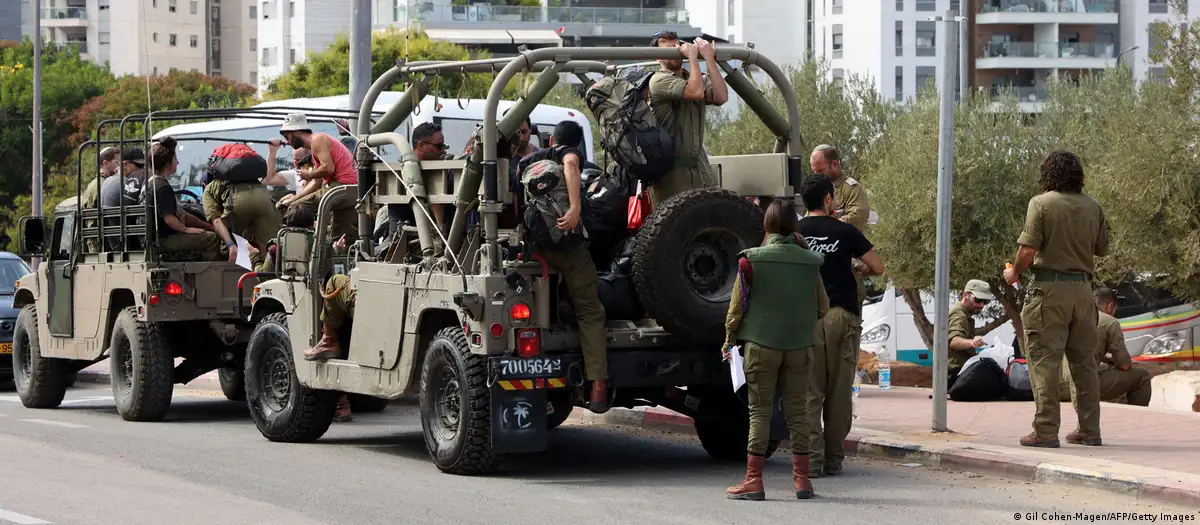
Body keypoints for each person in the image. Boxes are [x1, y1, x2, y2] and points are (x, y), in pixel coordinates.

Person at [1003, 149, 1110, 448]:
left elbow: (1026, 251)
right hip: (1083, 291)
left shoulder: (1041, 203)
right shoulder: (1094, 206)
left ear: (1048, 173)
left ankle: (1046, 430)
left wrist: (1014, 274)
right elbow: (1102, 248)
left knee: (1045, 363)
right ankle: (1090, 430)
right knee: (1084, 364)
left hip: (1049, 291)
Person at [723, 200, 827, 502]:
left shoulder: (750, 261)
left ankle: (753, 481)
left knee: (760, 412)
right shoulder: (811, 263)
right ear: (795, 227)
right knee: (798, 412)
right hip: (799, 347)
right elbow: (823, 307)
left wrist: (729, 340)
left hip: (760, 346)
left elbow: (736, 308)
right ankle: (802, 481)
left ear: (767, 226)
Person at [798, 173, 885, 478]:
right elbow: (878, 266)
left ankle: (813, 461)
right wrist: (856, 265)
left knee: (809, 392)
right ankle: (834, 458)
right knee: (838, 392)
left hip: (805, 320)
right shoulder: (845, 231)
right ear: (828, 199)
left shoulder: (795, 231)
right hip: (841, 318)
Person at [527, 120, 609, 412]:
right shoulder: (570, 155)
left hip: (536, 251)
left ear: (550, 140)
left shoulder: (529, 161)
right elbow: (572, 163)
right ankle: (598, 386)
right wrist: (574, 209)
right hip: (570, 247)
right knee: (590, 311)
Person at [646, 30, 729, 206]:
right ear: (658, 58)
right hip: (673, 173)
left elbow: (720, 96)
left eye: (677, 47)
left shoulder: (693, 77)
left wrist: (709, 59)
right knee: (676, 225)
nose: (675, 52)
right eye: (668, 49)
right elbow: (695, 92)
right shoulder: (658, 80)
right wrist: (693, 57)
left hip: (699, 167)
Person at [1059, 287, 1151, 407]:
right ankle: (1136, 417)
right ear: (1109, 305)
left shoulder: (1072, 316)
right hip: (1082, 386)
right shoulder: (1110, 322)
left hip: (1058, 386)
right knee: (1142, 376)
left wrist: (1105, 358)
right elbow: (1124, 365)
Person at [276, 113, 359, 242]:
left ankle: (301, 246)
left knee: (297, 209)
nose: (287, 141)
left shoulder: (317, 140)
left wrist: (309, 174)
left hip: (342, 186)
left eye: (287, 137)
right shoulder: (317, 147)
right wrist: (293, 199)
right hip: (349, 189)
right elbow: (316, 183)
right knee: (341, 236)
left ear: (296, 131)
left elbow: (328, 168)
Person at [143, 137, 224, 260]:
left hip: (154, 237)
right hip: (165, 239)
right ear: (167, 163)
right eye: (175, 159)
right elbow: (169, 219)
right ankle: (210, 276)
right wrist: (187, 230)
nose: (178, 162)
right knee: (212, 239)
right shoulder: (162, 187)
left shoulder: (150, 183)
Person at [202, 146, 283, 269]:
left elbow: (216, 220)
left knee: (226, 243)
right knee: (272, 246)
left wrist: (230, 245)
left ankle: (234, 272)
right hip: (264, 198)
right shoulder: (254, 179)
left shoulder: (210, 188)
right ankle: (269, 274)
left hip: (237, 202)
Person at [810, 144, 871, 304]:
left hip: (846, 265)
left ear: (834, 164)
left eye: (820, 171)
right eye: (813, 170)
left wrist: (829, 225)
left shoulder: (850, 189)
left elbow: (858, 217)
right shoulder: (814, 190)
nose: (816, 175)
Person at [948, 280, 996, 388]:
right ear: (966, 295)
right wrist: (971, 342)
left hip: (961, 372)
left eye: (985, 301)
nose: (981, 305)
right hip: (957, 374)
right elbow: (954, 342)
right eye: (978, 300)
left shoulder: (965, 315)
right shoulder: (959, 315)